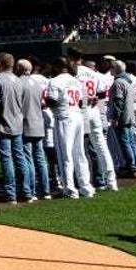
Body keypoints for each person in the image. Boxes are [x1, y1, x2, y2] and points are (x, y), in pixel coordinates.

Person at [46, 55, 94, 199]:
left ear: (57, 67)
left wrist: (45, 102)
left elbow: (53, 101)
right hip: (77, 115)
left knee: (65, 155)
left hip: (64, 117)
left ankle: (70, 189)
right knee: (79, 153)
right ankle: (86, 187)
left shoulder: (54, 81)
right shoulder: (76, 80)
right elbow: (80, 102)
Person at [0, 52, 30, 204]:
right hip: (18, 124)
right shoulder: (18, 80)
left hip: (3, 124)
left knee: (6, 159)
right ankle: (26, 192)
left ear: (0, 64)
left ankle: (11, 194)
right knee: (20, 158)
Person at [71, 50, 117, 191]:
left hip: (80, 110)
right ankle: (111, 181)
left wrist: (86, 99)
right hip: (94, 111)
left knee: (78, 147)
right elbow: (103, 92)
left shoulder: (73, 72)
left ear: (72, 58)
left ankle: (84, 183)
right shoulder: (93, 73)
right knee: (101, 146)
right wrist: (94, 98)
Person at [16, 59, 51, 199]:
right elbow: (43, 103)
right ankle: (46, 190)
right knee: (40, 159)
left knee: (28, 158)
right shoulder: (37, 84)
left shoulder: (18, 83)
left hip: (25, 123)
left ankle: (31, 191)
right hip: (38, 123)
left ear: (19, 68)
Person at [109, 60, 136, 179]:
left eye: (111, 67)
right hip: (130, 116)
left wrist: (115, 118)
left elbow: (118, 101)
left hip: (122, 118)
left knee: (126, 143)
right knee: (131, 142)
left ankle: (132, 168)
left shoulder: (118, 82)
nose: (110, 69)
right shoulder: (128, 81)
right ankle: (135, 166)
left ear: (115, 69)